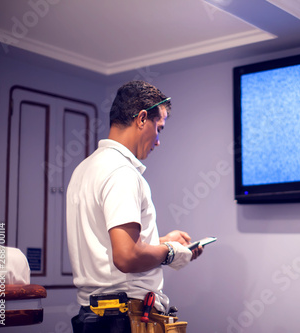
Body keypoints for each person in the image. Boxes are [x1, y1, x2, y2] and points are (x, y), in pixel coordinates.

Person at [66, 80, 202, 332]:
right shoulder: (122, 173)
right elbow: (127, 257)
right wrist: (171, 252)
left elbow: (108, 246)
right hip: (125, 318)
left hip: (93, 316)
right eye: (159, 128)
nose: (158, 141)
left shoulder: (84, 170)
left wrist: (160, 241)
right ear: (141, 118)